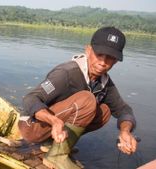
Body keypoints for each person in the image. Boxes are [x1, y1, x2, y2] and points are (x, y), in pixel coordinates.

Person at [18, 26, 137, 169]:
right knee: (87, 100)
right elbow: (30, 98)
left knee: (104, 111)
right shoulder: (67, 73)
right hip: (32, 127)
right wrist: (54, 121)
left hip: (54, 131)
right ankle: (56, 157)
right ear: (88, 50)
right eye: (99, 54)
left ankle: (55, 146)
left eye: (110, 58)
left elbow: (124, 110)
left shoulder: (104, 82)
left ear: (116, 61)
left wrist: (125, 131)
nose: (103, 62)